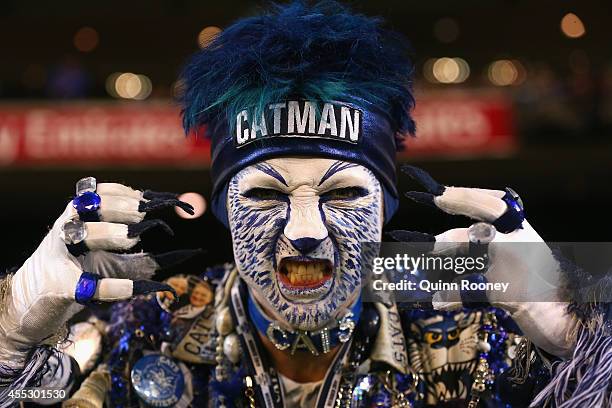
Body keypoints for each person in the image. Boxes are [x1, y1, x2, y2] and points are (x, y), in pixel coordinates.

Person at [0, 1, 610, 407]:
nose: (306, 230)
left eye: (343, 193)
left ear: (389, 209)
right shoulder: (144, 333)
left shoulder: (480, 337)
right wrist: (9, 335)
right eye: (265, 194)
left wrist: (575, 331)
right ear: (223, 209)